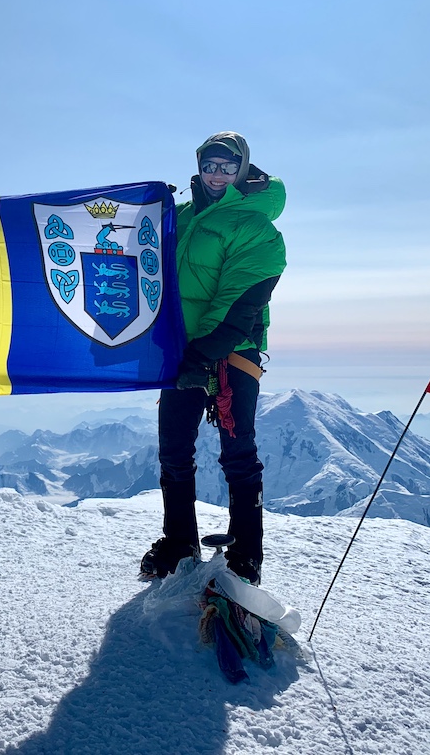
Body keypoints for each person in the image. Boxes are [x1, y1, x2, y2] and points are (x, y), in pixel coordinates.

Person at [139, 131, 286, 586]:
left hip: (230, 350)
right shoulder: (178, 217)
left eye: (228, 165)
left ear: (242, 169)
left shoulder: (255, 225)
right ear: (199, 167)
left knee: (238, 452)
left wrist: (205, 353)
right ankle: (179, 541)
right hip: (180, 349)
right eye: (210, 164)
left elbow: (243, 301)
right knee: (174, 449)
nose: (217, 173)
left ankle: (247, 553)